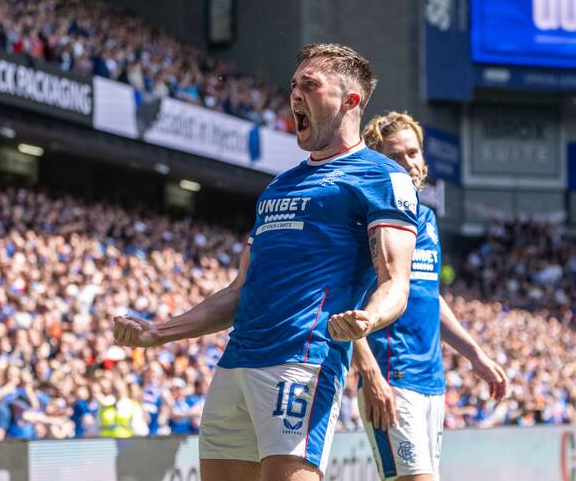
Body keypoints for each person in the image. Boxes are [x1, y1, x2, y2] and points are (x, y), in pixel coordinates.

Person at [114, 43, 420, 481]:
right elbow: (240, 291)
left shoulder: (381, 176)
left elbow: (396, 282)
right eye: (294, 85)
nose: (294, 94)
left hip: (302, 360)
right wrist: (160, 331)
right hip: (237, 361)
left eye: (310, 86)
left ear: (350, 100)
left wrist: (368, 319)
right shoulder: (279, 185)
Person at [354, 111, 509, 481]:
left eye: (413, 153)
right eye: (395, 156)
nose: (408, 163)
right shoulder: (366, 219)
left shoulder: (425, 219)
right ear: (378, 164)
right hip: (392, 379)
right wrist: (370, 373)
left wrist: (476, 355)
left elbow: (429, 298)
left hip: (432, 385)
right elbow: (345, 301)